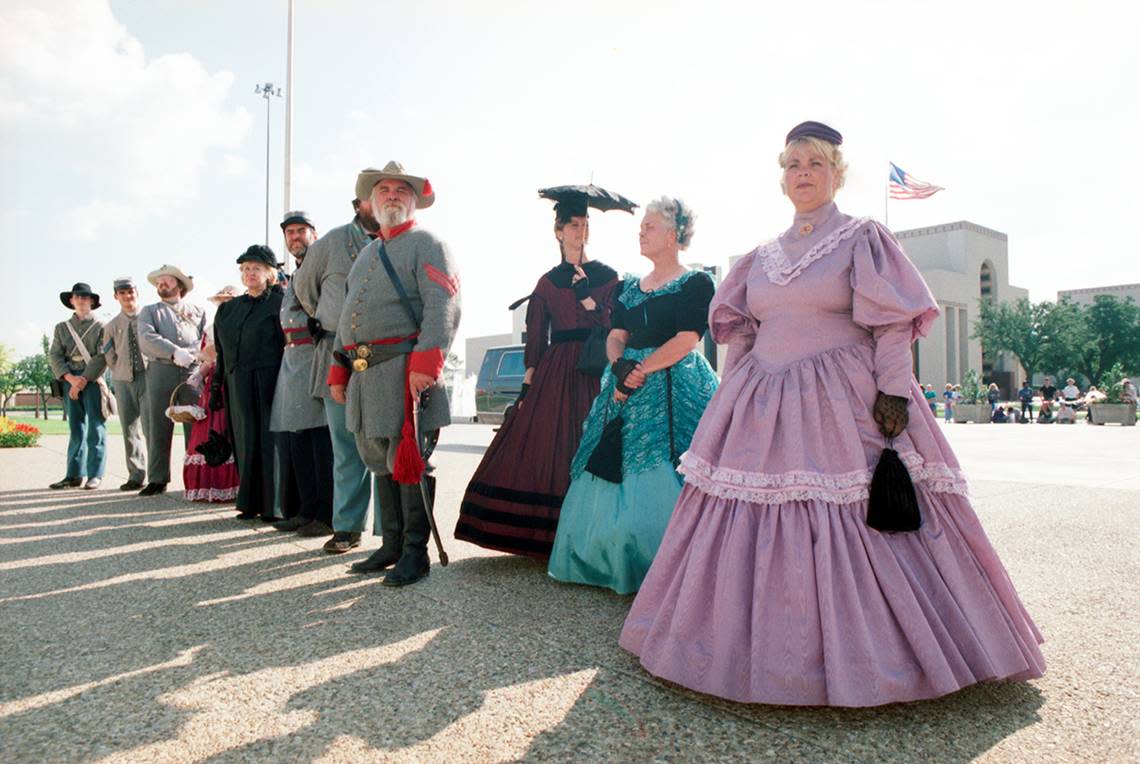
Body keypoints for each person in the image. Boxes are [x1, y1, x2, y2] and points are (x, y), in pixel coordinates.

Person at [620, 122, 1044, 707]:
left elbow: (893, 324)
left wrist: (893, 392)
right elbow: (740, 333)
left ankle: (879, 657)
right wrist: (730, 397)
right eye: (793, 164)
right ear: (782, 176)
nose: (803, 174)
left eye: (816, 164)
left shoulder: (862, 238)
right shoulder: (759, 259)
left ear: (836, 174)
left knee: (859, 510)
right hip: (762, 403)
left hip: (841, 398)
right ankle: (741, 653)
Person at [548, 198, 718, 594]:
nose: (640, 232)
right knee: (607, 454)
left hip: (674, 381)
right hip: (625, 381)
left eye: (649, 227)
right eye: (641, 227)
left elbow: (688, 339)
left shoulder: (695, 283)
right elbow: (616, 335)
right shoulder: (628, 286)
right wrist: (620, 366)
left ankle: (668, 567)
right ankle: (602, 559)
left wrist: (641, 369)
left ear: (674, 234)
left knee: (669, 460)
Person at [454, 195, 620, 558]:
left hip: (595, 368)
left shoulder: (608, 276)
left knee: (592, 443)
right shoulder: (546, 283)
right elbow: (537, 335)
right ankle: (547, 537)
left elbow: (614, 328)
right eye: (574, 224)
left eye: (585, 224)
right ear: (558, 232)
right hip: (556, 372)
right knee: (547, 445)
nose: (581, 230)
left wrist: (587, 300)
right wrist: (528, 385)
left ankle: (595, 536)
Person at [329, 161, 460, 586]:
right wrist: (338, 368)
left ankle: (413, 554)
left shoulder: (429, 243)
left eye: (400, 191)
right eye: (383, 190)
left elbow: (443, 307)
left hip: (407, 371)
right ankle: (389, 545)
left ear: (413, 200)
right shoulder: (367, 253)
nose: (391, 196)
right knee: (379, 463)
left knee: (410, 463)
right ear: (370, 200)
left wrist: (426, 366)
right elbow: (348, 316)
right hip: (366, 376)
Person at [293, 189, 381, 554]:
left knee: (385, 444)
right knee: (345, 447)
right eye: (371, 198)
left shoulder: (401, 243)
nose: (377, 206)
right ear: (358, 204)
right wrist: (334, 322)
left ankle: (392, 534)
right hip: (335, 353)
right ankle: (346, 527)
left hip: (383, 357)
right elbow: (304, 290)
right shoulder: (329, 243)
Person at [270, 211, 335, 537]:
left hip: (315, 353)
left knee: (320, 440)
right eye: (289, 232)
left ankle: (325, 515)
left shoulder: (322, 264)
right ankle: (305, 509)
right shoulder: (295, 272)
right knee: (297, 438)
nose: (295, 237)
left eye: (301, 231)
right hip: (292, 357)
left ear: (314, 233)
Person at [211, 246, 285, 520]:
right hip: (236, 381)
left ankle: (272, 505)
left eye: (256, 268)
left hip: (269, 380)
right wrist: (217, 386)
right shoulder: (228, 309)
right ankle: (249, 501)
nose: (249, 273)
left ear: (269, 273)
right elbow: (221, 351)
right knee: (244, 440)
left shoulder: (279, 303)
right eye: (245, 269)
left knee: (269, 440)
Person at [137, 265, 206, 496]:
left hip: (191, 372)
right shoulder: (149, 311)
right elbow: (147, 338)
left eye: (166, 281)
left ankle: (196, 477)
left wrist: (194, 353)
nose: (161, 285)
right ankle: (157, 478)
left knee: (195, 424)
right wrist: (175, 352)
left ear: (179, 284)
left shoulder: (197, 310)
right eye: (158, 282)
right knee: (158, 425)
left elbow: (205, 337)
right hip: (161, 370)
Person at [48, 283, 108, 489]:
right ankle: (73, 475)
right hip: (69, 380)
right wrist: (70, 379)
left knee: (96, 427)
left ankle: (95, 474)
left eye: (85, 296)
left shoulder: (102, 326)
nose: (81, 300)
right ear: (71, 300)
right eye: (77, 296)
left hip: (92, 380)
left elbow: (102, 357)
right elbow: (55, 355)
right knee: (75, 428)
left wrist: (82, 380)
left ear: (92, 301)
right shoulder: (62, 328)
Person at [182, 287, 241, 502]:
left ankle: (234, 483)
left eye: (229, 300)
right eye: (222, 301)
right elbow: (208, 358)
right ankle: (209, 483)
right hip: (215, 382)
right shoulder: (211, 327)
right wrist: (200, 374)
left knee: (229, 427)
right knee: (210, 428)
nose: (225, 304)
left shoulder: (239, 322)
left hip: (233, 378)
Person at [101, 278, 149, 490]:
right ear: (116, 296)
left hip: (148, 377)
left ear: (136, 292)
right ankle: (136, 474)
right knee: (129, 429)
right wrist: (120, 370)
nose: (127, 296)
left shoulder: (148, 318)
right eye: (122, 293)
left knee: (152, 428)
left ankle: (157, 477)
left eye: (130, 292)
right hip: (123, 380)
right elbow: (109, 354)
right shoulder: (111, 326)